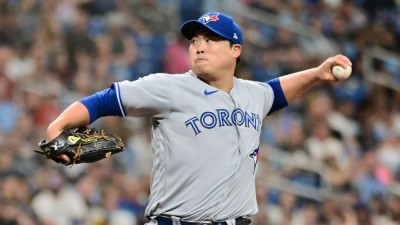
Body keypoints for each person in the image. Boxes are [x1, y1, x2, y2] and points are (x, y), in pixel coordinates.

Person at [44, 12, 352, 225]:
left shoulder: (253, 94)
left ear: (236, 50)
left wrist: (315, 74)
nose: (199, 46)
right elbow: (105, 100)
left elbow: (277, 91)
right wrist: (57, 126)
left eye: (211, 39)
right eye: (194, 41)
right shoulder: (169, 87)